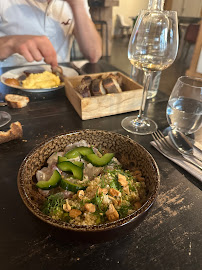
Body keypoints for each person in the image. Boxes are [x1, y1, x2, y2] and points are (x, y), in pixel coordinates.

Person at [0, 0, 102, 67]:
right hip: (10, 83)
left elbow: (93, 54)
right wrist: (11, 43)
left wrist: (77, 6)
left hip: (59, 81)